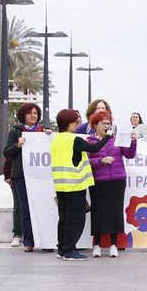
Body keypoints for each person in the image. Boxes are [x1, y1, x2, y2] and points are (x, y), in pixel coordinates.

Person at [50, 108, 107, 259]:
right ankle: (69, 250)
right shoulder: (73, 139)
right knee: (75, 219)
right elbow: (95, 148)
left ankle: (62, 249)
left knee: (64, 218)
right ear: (69, 123)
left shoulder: (57, 139)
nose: (77, 123)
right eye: (76, 120)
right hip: (75, 185)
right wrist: (107, 137)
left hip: (61, 186)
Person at [87, 108, 137, 257]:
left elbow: (129, 154)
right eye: (103, 123)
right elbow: (87, 162)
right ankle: (97, 244)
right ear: (95, 125)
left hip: (117, 179)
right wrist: (100, 161)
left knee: (115, 211)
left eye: (108, 123)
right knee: (98, 212)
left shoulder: (117, 139)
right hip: (98, 181)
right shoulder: (89, 141)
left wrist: (133, 142)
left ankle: (114, 244)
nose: (106, 126)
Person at [2, 103, 44, 251]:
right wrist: (17, 145)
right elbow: (6, 152)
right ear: (23, 115)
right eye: (29, 113)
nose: (33, 115)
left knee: (41, 207)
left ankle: (44, 239)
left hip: (40, 175)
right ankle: (28, 241)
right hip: (21, 174)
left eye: (35, 113)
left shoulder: (42, 131)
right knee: (25, 208)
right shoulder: (16, 131)